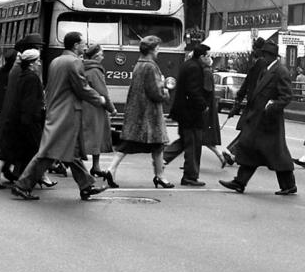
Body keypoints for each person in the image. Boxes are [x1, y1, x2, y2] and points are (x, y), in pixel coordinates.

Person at [11, 32, 108, 201]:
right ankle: (23, 185)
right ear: (75, 45)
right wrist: (99, 99)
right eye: (82, 43)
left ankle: (86, 185)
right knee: (49, 152)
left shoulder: (56, 60)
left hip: (56, 110)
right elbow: (81, 87)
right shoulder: (75, 62)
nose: (84, 47)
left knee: (71, 152)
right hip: (67, 113)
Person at [220, 40, 298, 195]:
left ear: (270, 56)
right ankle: (240, 182)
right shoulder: (266, 70)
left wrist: (272, 106)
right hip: (258, 119)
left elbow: (287, 96)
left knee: (277, 154)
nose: (262, 58)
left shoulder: (280, 71)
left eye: (264, 55)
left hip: (270, 122)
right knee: (251, 151)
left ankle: (288, 185)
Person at [107, 35, 174, 189]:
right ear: (152, 50)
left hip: (137, 111)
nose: (159, 50)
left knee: (127, 144)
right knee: (158, 145)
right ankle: (160, 177)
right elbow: (155, 92)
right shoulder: (151, 66)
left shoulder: (139, 64)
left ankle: (111, 169)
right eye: (157, 47)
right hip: (149, 114)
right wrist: (164, 89)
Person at [0, 47, 45, 190]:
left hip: (17, 119)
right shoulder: (32, 78)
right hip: (27, 121)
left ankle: (1, 175)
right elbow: (29, 102)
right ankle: (25, 182)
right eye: (37, 61)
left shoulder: (22, 75)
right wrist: (30, 121)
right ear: (32, 63)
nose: (39, 64)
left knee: (13, 148)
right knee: (35, 150)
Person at [166, 43, 213, 186]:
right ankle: (190, 176)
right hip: (190, 114)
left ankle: (161, 159)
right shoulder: (194, 68)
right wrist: (203, 105)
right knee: (193, 144)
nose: (210, 59)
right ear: (202, 56)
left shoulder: (189, 64)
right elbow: (193, 91)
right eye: (209, 56)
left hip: (185, 113)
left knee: (184, 141)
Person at [80, 43, 117, 183]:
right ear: (96, 56)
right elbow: (103, 92)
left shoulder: (84, 67)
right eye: (101, 54)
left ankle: (96, 166)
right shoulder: (96, 71)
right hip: (95, 108)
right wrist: (111, 108)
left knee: (89, 137)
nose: (103, 56)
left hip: (86, 106)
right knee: (96, 137)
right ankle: (94, 167)